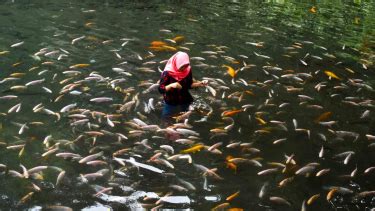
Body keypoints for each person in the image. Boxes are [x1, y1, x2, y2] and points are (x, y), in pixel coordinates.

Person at [158, 51, 207, 119]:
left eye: (186, 66)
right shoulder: (167, 73)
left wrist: (200, 84)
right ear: (177, 63)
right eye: (182, 66)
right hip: (171, 100)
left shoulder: (188, 70)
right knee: (165, 117)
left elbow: (189, 85)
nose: (184, 69)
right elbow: (160, 89)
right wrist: (171, 85)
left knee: (188, 115)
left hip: (185, 98)